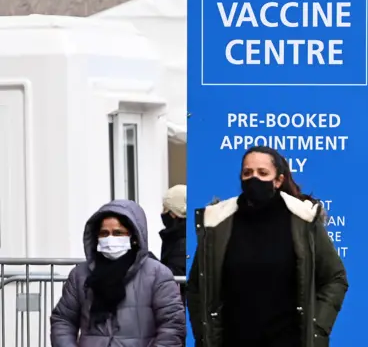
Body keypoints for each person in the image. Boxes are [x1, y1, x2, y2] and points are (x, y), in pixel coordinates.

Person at [187, 146, 348, 347]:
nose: (254, 178)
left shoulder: (303, 221)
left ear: (278, 180)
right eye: (248, 173)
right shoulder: (218, 223)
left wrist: (316, 327)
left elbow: (335, 278)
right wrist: (203, 333)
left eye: (262, 173)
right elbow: (196, 286)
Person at [50, 199, 186, 347]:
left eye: (118, 233)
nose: (110, 239)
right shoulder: (80, 275)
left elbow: (172, 326)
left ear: (134, 237)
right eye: (104, 233)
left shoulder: (157, 274)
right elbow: (63, 320)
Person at [160, 184, 187, 301]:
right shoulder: (179, 235)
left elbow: (173, 273)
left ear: (174, 213)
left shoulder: (180, 239)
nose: (163, 213)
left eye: (165, 208)